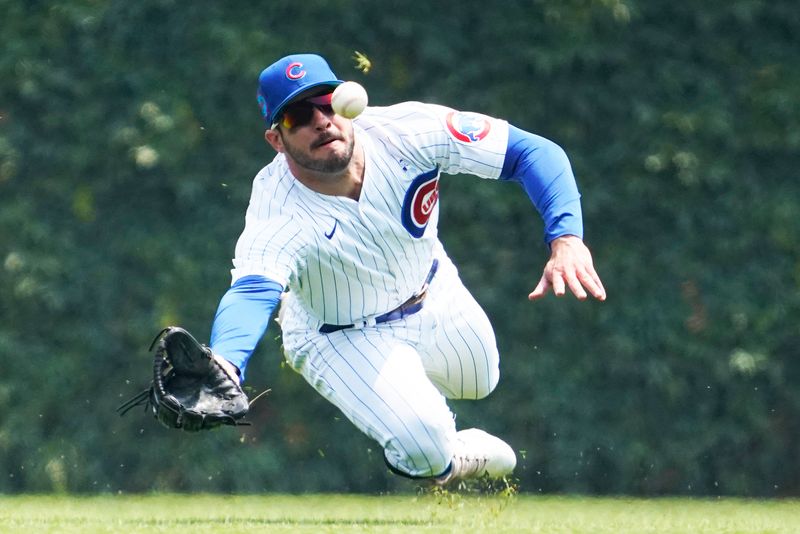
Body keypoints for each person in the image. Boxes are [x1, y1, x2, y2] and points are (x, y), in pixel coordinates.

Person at [208, 53, 606, 485]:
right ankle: (446, 458)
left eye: (326, 102)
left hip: (432, 289)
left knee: (482, 379)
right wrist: (227, 362)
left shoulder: (408, 131)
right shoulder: (276, 207)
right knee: (424, 448)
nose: (321, 121)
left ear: (346, 103)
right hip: (341, 334)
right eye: (298, 117)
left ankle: (425, 420)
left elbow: (531, 152)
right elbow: (252, 292)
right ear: (276, 140)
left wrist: (566, 238)